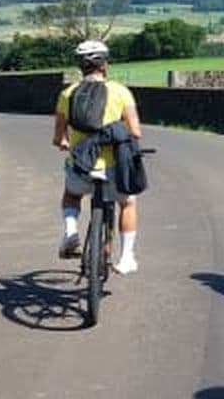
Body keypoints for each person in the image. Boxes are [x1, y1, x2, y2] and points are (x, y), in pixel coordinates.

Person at [52, 40, 143, 275]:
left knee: (71, 195)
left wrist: (65, 143)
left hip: (81, 168)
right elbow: (135, 132)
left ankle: (71, 230)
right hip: (114, 169)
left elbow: (58, 137)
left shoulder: (68, 94)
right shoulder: (121, 92)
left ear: (80, 67)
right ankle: (126, 257)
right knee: (128, 202)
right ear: (105, 65)